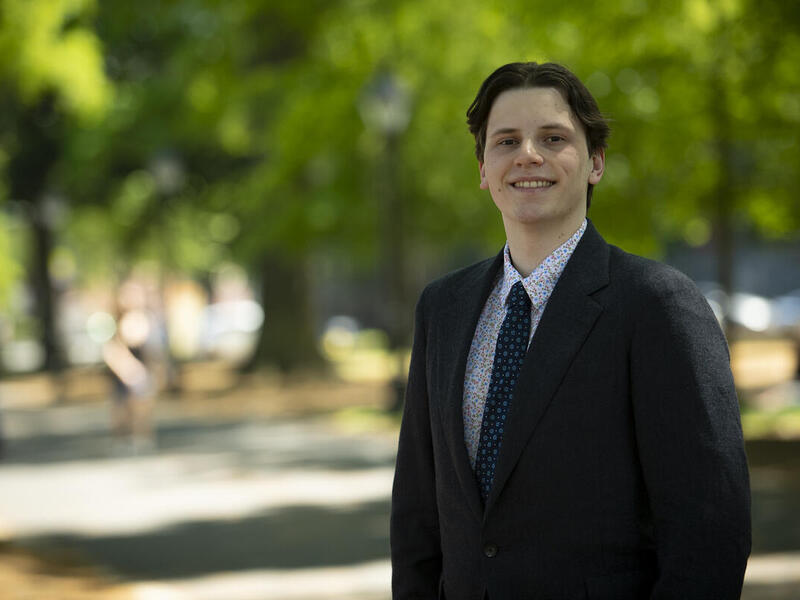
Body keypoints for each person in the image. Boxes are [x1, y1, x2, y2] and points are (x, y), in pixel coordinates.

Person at [390, 62, 751, 599]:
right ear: (483, 169)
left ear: (595, 163)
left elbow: (709, 528)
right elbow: (419, 511)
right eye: (506, 140)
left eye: (553, 138)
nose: (528, 154)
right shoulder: (442, 307)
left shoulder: (656, 304)